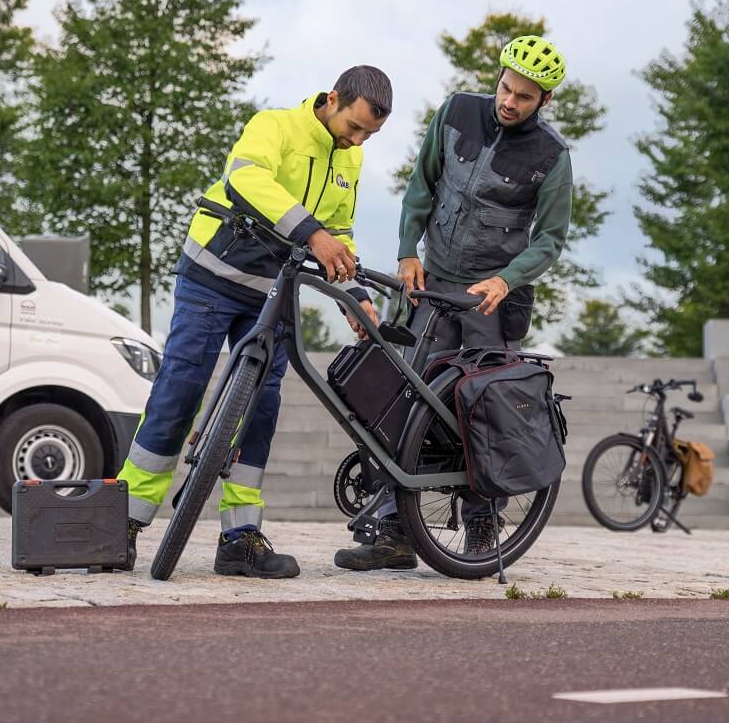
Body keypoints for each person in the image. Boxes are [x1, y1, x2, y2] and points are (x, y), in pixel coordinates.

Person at [119, 67, 392, 578]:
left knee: (262, 406)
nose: (358, 141)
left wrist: (354, 296)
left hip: (273, 290)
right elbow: (245, 179)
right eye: (354, 127)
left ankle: (240, 538)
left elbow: (338, 231)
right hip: (213, 275)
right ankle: (124, 522)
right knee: (182, 386)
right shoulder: (275, 126)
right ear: (333, 99)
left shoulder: (350, 159)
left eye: (369, 135)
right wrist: (311, 233)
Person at [334, 35, 574, 572]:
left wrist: (507, 280)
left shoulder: (552, 156)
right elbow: (422, 184)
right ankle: (394, 533)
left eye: (525, 97)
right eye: (506, 88)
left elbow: (550, 240)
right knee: (404, 402)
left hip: (491, 301)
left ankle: (483, 529)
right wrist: (407, 251)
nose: (509, 102)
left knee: (482, 414)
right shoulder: (457, 112)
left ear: (545, 100)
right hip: (433, 283)